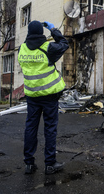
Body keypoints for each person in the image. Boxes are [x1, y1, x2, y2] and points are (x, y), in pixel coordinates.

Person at [18, 20, 69, 175]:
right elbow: (64, 43)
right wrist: (53, 29)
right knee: (50, 128)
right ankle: (50, 164)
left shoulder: (22, 49)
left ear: (28, 33)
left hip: (32, 95)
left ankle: (29, 164)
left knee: (31, 128)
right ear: (41, 32)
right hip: (49, 96)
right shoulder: (48, 48)